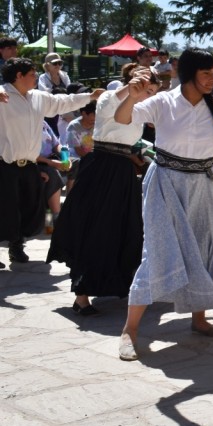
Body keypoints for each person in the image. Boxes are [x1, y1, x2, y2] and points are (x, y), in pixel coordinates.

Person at [113, 48, 213, 362]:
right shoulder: (163, 102)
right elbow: (123, 120)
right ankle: (129, 331)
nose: (212, 79)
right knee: (157, 251)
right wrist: (131, 97)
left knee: (204, 249)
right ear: (189, 73)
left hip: (204, 184)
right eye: (206, 73)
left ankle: (199, 320)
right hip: (166, 183)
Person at [48, 68, 160, 314]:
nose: (148, 95)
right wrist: (132, 92)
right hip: (100, 168)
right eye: (147, 89)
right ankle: (82, 296)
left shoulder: (141, 108)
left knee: (123, 228)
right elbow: (118, 115)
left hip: (123, 170)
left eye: (152, 92)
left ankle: (120, 282)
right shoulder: (110, 98)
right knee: (94, 228)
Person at [0, 58, 102, 267]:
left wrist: (90, 96)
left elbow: (63, 102)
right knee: (4, 209)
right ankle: (12, 245)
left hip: (29, 164)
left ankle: (17, 245)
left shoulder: (38, 97)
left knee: (28, 207)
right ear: (18, 76)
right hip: (4, 164)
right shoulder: (2, 95)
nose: (36, 77)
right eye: (31, 74)